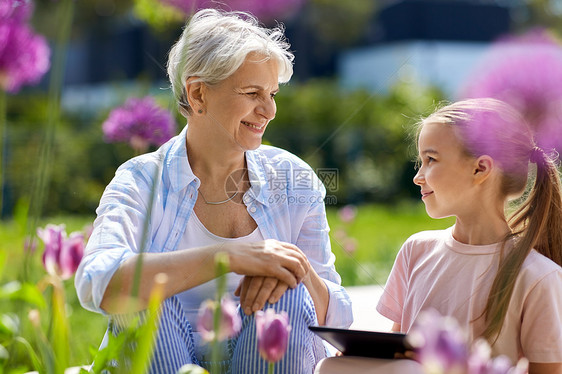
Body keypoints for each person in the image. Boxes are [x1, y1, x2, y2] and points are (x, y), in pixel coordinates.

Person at [75, 8, 352, 374]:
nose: (269, 110)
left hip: (262, 359)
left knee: (286, 288)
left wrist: (295, 271)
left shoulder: (293, 178)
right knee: (141, 294)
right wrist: (229, 257)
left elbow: (340, 314)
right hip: (166, 356)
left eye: (271, 93)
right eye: (253, 92)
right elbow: (98, 281)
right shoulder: (141, 180)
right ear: (198, 93)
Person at [317, 98, 562, 374]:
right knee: (332, 366)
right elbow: (399, 348)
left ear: (480, 168)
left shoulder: (538, 277)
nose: (418, 177)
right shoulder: (417, 250)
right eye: (419, 162)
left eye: (430, 160)